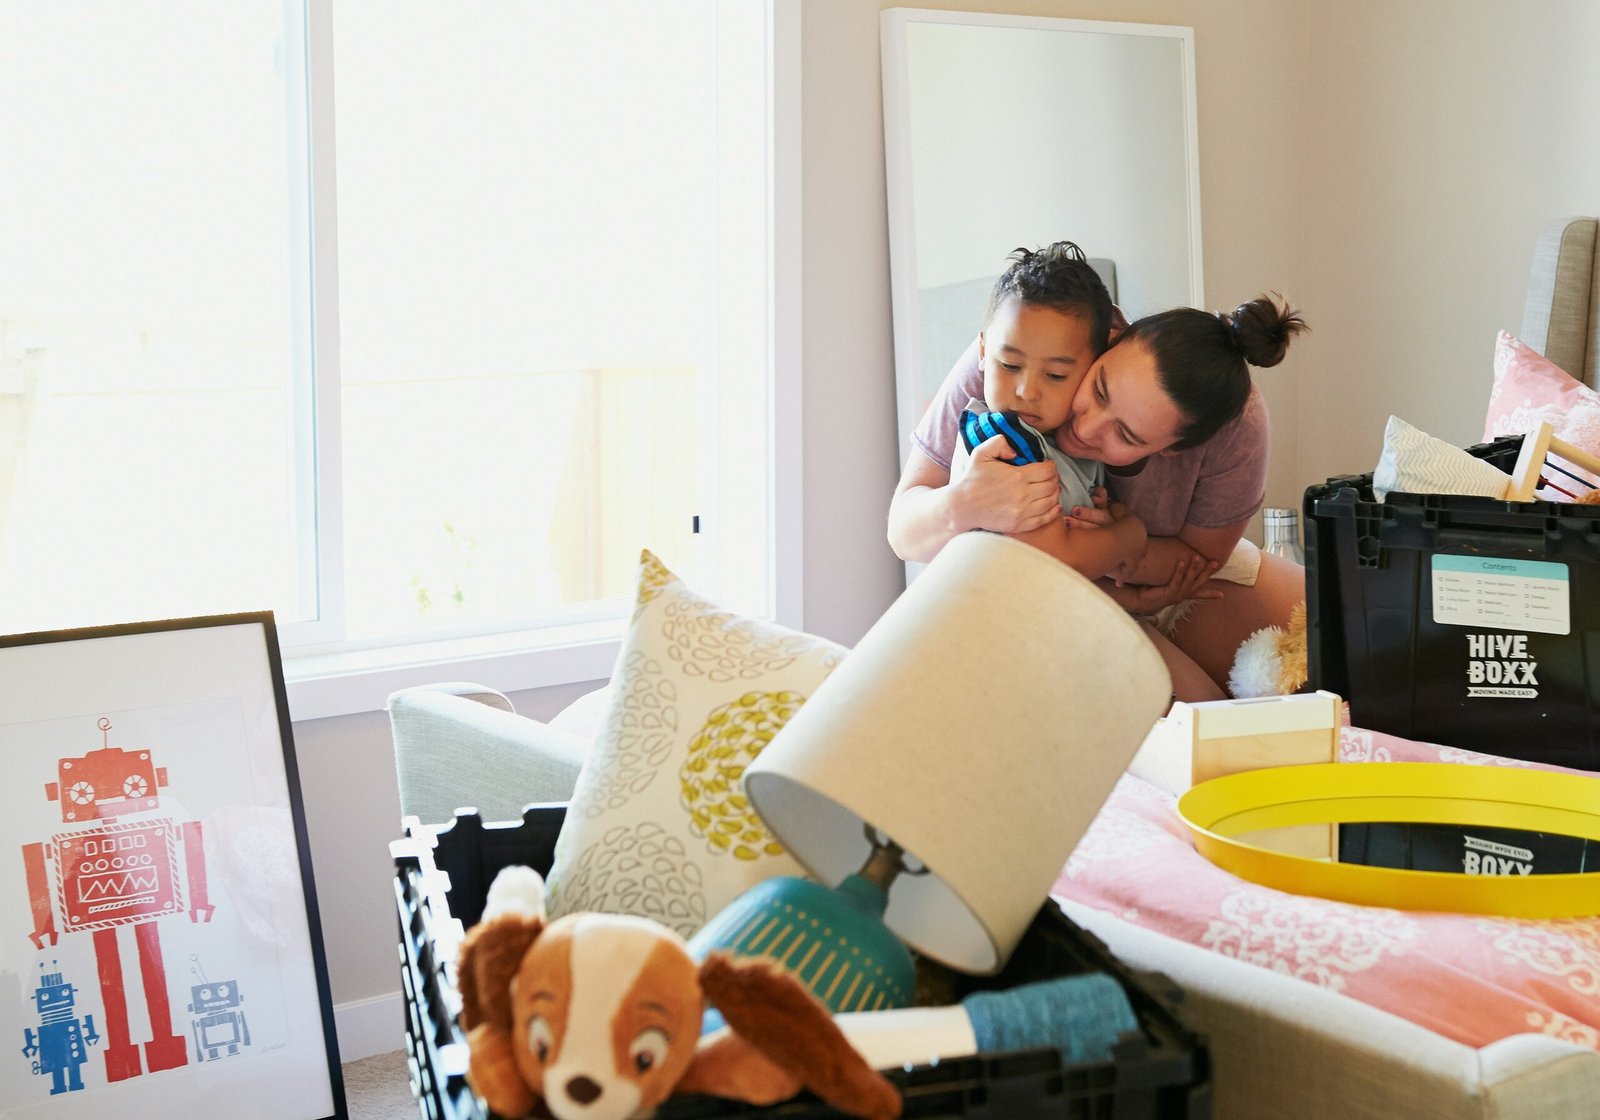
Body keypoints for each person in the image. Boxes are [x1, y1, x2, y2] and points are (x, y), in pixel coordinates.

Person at [890, 267, 1308, 701]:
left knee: (1333, 635)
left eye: (1127, 436)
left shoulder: (1235, 420)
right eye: (1100, 389)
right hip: (1049, 596)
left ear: (1174, 447)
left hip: (1145, 577)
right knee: (1197, 721)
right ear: (1108, 339)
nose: (1087, 430)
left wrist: (1132, 564)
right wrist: (963, 503)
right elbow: (907, 533)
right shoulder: (1024, 353)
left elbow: (1201, 559)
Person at [944, 242, 1147, 579]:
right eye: (1009, 365)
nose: (1026, 391)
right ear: (982, 351)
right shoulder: (1002, 438)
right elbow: (1062, 560)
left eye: (1055, 375)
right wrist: (1131, 532)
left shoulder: (1067, 442)